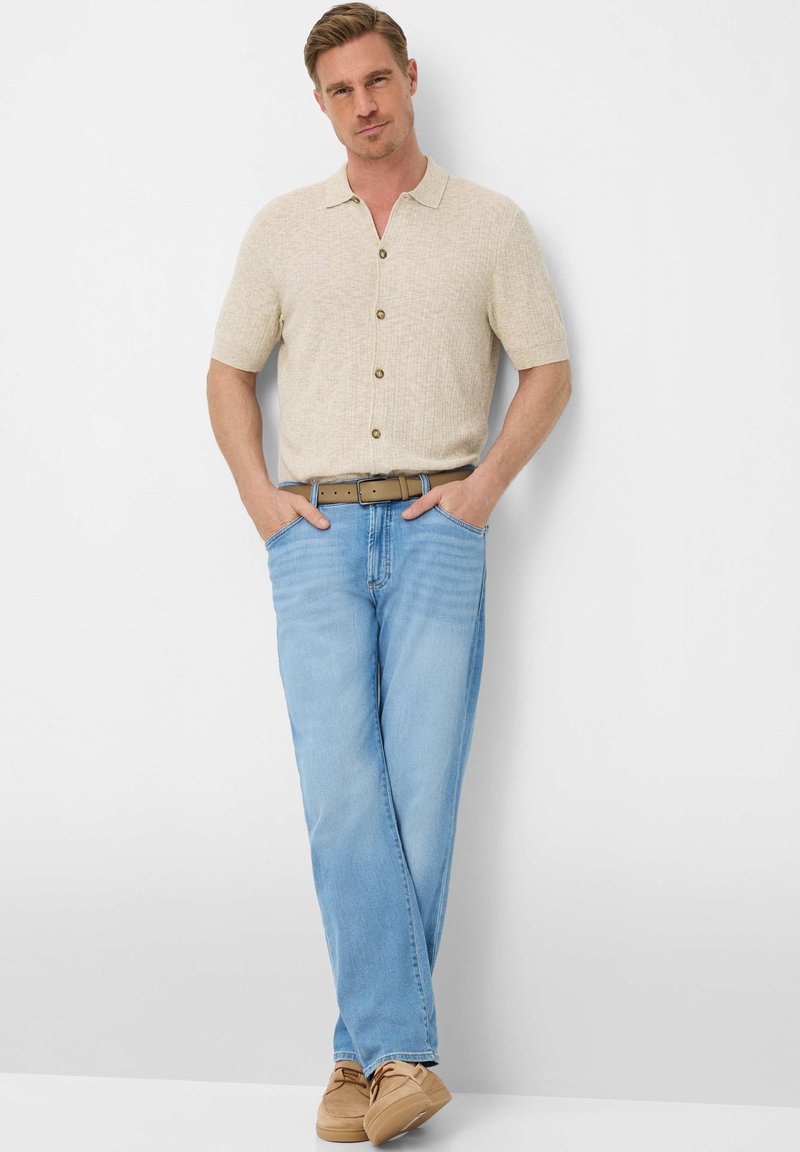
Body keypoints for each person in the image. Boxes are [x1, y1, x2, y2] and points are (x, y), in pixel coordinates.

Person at [206, 3, 571, 1143]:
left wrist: (482, 490)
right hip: (313, 534)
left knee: (419, 790)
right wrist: (259, 499)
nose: (363, 106)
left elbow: (547, 371)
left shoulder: (490, 225)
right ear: (318, 103)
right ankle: (395, 1056)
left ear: (410, 78)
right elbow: (226, 374)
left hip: (437, 528)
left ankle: (356, 1064)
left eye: (377, 81)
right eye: (340, 90)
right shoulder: (281, 230)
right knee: (341, 793)